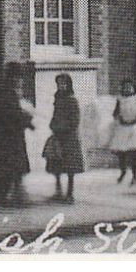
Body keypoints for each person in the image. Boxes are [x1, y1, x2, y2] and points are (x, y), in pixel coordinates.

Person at [0, 66, 34, 207]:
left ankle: (8, 197)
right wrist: (27, 119)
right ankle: (1, 198)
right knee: (8, 169)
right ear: (13, 78)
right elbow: (12, 114)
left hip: (8, 136)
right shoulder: (7, 93)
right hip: (8, 138)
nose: (20, 81)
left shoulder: (6, 92)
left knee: (10, 169)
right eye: (18, 78)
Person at [42, 73, 85, 203]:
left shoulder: (72, 100)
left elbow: (75, 119)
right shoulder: (58, 98)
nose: (61, 86)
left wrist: (65, 128)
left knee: (70, 166)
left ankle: (69, 193)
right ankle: (58, 189)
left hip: (69, 136)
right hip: (58, 135)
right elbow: (55, 115)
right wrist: (53, 124)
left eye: (64, 83)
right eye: (59, 84)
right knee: (56, 163)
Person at [109, 79, 136, 184]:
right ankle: (123, 171)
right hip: (123, 128)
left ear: (133, 88)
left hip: (135, 128)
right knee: (122, 152)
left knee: (134, 152)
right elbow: (115, 113)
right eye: (125, 87)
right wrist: (119, 118)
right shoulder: (120, 99)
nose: (127, 89)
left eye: (129, 87)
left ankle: (134, 176)